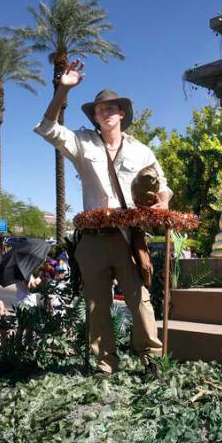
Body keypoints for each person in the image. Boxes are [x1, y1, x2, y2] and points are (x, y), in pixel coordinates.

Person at [34, 59, 171, 376]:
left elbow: (163, 187)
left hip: (128, 238)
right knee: (97, 307)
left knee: (140, 303)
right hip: (93, 241)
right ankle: (105, 364)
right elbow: (48, 128)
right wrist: (62, 90)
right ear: (95, 116)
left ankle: (151, 360)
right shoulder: (83, 143)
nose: (106, 113)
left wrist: (161, 205)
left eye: (112, 108)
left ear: (122, 113)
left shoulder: (141, 151)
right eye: (100, 110)